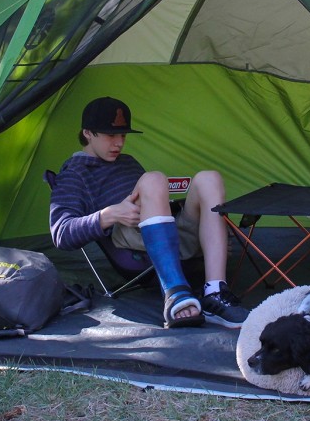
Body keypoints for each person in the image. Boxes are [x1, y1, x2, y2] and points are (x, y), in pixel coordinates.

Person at [48, 96, 249, 329]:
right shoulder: (74, 173)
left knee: (209, 178)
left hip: (167, 227)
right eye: (111, 135)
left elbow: (155, 202)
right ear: (88, 133)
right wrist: (111, 214)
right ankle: (175, 292)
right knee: (153, 178)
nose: (119, 143)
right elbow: (61, 233)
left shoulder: (128, 162)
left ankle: (215, 291)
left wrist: (212, 227)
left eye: (123, 135)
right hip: (129, 236)